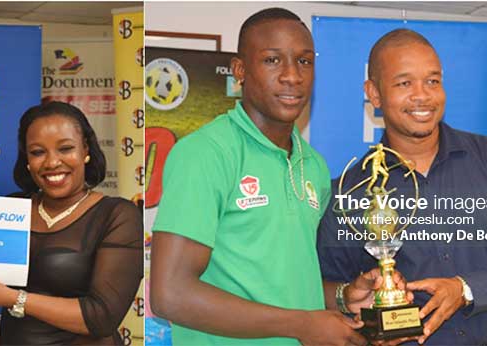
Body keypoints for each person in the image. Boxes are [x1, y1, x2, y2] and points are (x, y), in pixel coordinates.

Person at [148, 8, 408, 346]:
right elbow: (171, 294)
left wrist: (345, 295)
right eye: (272, 60)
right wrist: (301, 325)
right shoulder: (206, 153)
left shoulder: (311, 164)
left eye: (304, 62)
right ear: (240, 70)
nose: (292, 76)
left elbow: (285, 284)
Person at [317, 29, 487, 345]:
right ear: (375, 93)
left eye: (433, 81)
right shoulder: (351, 192)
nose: (422, 95)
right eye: (404, 83)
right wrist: (353, 302)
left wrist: (466, 289)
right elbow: (326, 290)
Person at [0, 101, 144, 345]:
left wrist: (14, 299)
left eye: (65, 149)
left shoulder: (117, 215)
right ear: (27, 159)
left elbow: (102, 317)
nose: (52, 162)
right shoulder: (9, 209)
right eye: (38, 152)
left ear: (85, 150)